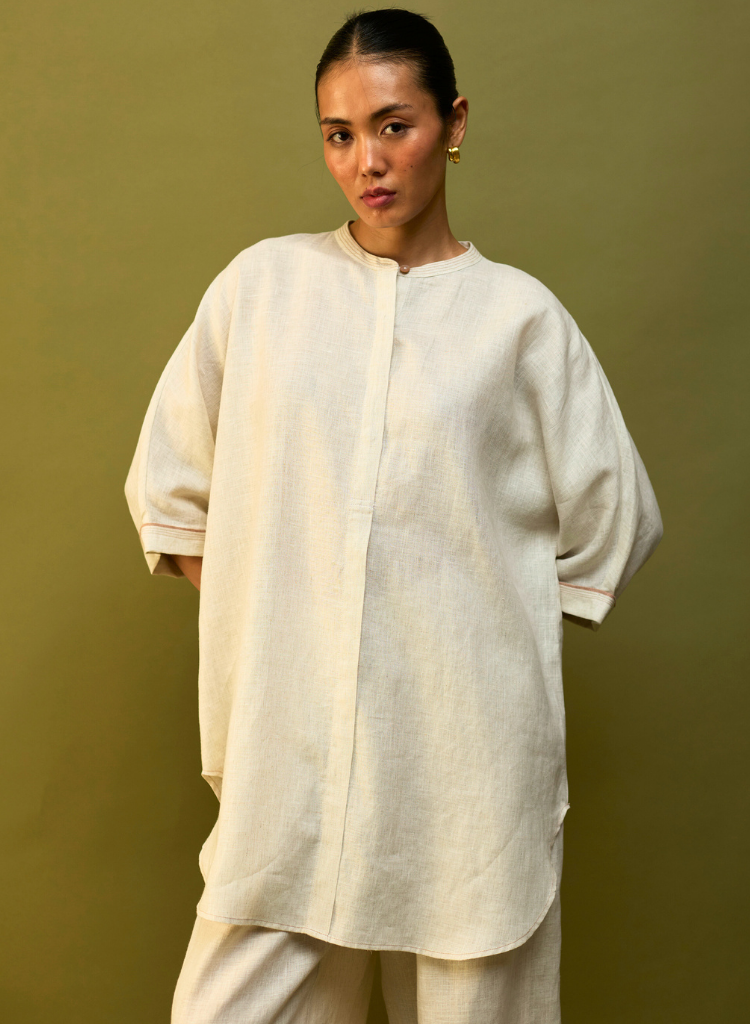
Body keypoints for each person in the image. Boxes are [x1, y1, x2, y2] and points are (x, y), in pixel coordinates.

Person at [124, 8, 663, 1023]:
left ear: (452, 123)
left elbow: (614, 517)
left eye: (393, 126)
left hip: (464, 773)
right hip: (291, 766)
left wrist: (465, 632)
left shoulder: (520, 320)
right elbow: (172, 486)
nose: (366, 161)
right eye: (339, 134)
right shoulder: (260, 291)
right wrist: (288, 610)